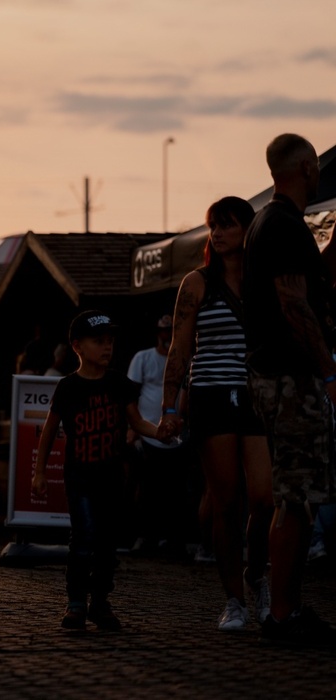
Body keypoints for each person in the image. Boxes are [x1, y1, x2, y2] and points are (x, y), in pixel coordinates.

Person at [156, 196, 273, 631]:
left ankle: (256, 575)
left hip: (257, 396)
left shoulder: (265, 280)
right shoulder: (197, 282)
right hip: (210, 395)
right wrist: (170, 406)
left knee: (263, 498)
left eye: (226, 225)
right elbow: (179, 349)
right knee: (225, 503)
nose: (218, 233)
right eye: (212, 226)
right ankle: (234, 601)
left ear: (248, 228)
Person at [242, 133, 336, 646]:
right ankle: (282, 615)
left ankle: (288, 608)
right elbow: (294, 304)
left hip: (275, 376)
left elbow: (308, 288)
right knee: (296, 498)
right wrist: (330, 375)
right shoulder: (280, 224)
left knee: (297, 497)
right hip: (289, 378)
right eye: (315, 167)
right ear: (305, 167)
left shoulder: (273, 223)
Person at [32, 310, 161, 631]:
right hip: (79, 477)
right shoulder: (68, 387)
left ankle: (100, 602)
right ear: (77, 346)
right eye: (98, 341)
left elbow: (137, 422)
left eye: (110, 342)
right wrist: (39, 472)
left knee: (106, 542)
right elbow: (49, 431)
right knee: (83, 537)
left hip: (112, 476)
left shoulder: (119, 383)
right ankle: (76, 602)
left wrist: (162, 432)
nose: (107, 347)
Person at [126, 313, 198, 559]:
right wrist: (132, 429)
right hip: (149, 435)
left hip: (178, 437)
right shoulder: (142, 358)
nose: (167, 337)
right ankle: (146, 537)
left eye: (171, 332)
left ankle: (174, 540)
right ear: (157, 333)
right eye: (163, 332)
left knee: (176, 491)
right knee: (147, 489)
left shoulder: (187, 360)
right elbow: (131, 395)